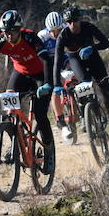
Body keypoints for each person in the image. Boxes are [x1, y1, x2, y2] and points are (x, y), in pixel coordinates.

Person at [0, 10, 56, 173]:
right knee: (9, 111)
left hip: (40, 74)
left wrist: (47, 84)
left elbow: (46, 60)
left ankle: (49, 151)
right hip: (21, 74)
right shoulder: (1, 41)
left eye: (12, 32)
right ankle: (15, 142)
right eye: (6, 32)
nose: (9, 36)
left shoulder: (31, 37)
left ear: (20, 29)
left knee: (40, 114)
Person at [52, 5, 109, 134]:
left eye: (74, 20)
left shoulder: (88, 27)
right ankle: (85, 117)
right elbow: (57, 60)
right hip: (75, 60)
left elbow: (106, 43)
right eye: (68, 22)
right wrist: (56, 84)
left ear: (80, 19)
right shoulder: (63, 36)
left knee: (105, 88)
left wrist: (92, 48)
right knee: (84, 84)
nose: (72, 24)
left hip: (93, 58)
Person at [38, 11, 73, 141]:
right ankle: (60, 121)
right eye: (53, 31)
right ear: (48, 29)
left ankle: (83, 109)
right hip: (49, 63)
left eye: (58, 30)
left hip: (63, 59)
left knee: (74, 75)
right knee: (54, 89)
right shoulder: (42, 36)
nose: (56, 33)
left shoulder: (66, 30)